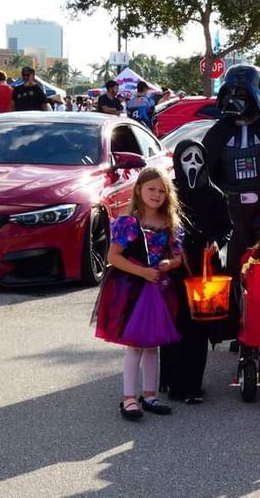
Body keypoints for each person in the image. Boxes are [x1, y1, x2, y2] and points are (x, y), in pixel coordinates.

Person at [201, 64, 260, 345]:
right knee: (236, 270)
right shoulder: (218, 131)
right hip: (232, 212)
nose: (233, 98)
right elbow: (206, 174)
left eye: (240, 92)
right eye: (229, 92)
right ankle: (241, 328)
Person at [93, 167, 185, 421]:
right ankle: (129, 398)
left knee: (152, 345)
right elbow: (113, 257)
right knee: (135, 345)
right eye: (151, 189)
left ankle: (149, 394)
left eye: (162, 191)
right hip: (132, 289)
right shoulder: (128, 222)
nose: (156, 194)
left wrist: (170, 264)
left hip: (158, 290)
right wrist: (142, 272)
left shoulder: (170, 223)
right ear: (138, 190)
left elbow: (178, 256)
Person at [159, 139, 232, 405]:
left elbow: (226, 226)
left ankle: (193, 384)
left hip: (203, 269)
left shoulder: (214, 194)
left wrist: (216, 241)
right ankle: (170, 380)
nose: (192, 164)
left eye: (197, 158)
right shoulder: (170, 191)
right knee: (173, 322)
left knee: (198, 328)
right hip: (174, 268)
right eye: (186, 158)